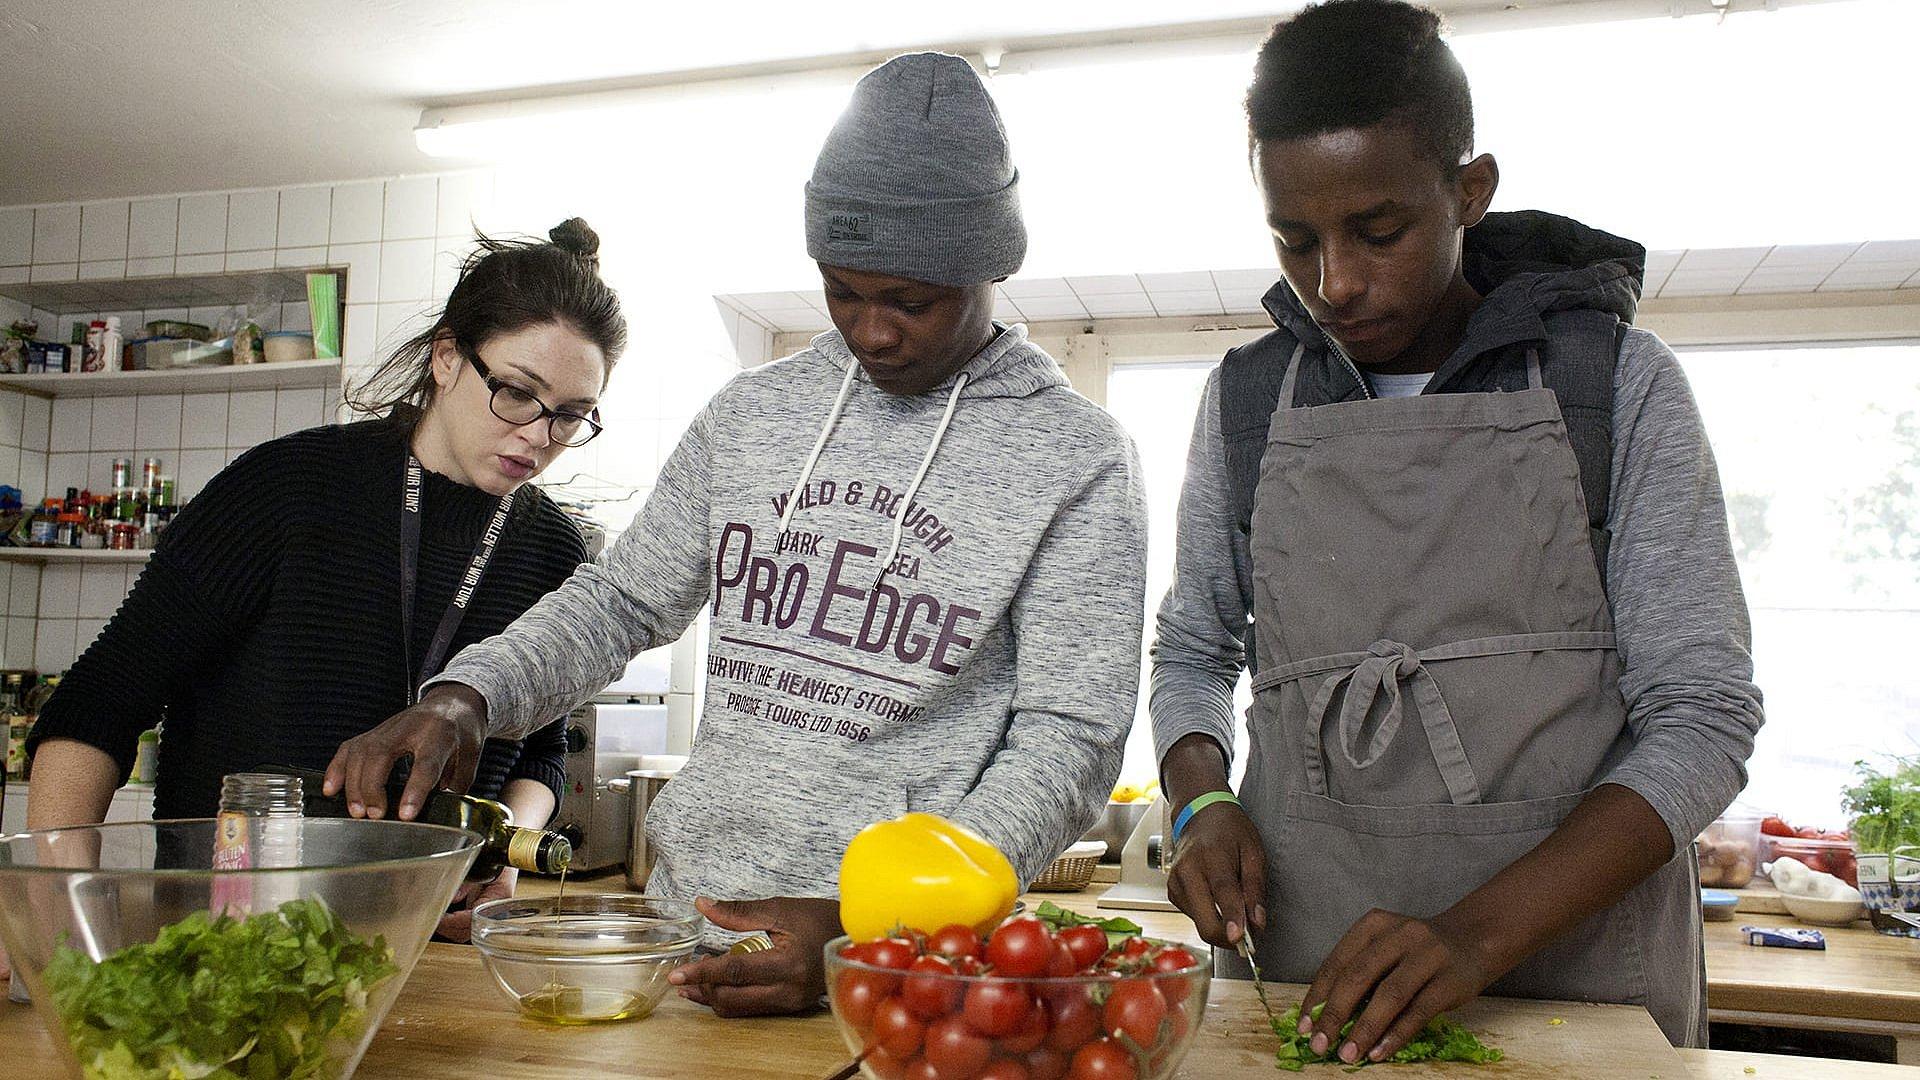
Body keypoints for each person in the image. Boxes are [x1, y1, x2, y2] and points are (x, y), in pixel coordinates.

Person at [326, 52, 1149, 1015]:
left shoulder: (1075, 455)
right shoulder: (754, 416)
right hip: (685, 944)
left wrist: (875, 932)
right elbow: (621, 601)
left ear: (993, 266)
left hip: (905, 973)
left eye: (911, 301)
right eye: (842, 290)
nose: (870, 331)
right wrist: (468, 697)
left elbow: (1071, 737)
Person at [1150, 0, 1763, 1060]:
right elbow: (1194, 652)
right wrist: (1202, 800)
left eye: (1378, 232)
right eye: (1296, 240)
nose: (1335, 282)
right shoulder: (1250, 402)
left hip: (1581, 997)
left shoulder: (1611, 386)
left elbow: (1703, 720)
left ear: (1471, 189)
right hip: (1305, 988)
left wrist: (1473, 938)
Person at [22, 219, 624, 944]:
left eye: (571, 417)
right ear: (445, 359)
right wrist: (59, 923)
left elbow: (540, 751)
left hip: (422, 941)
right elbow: (95, 708)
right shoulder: (287, 487)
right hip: (228, 935)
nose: (538, 435)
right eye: (518, 393)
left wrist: (507, 852)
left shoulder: (555, 552)